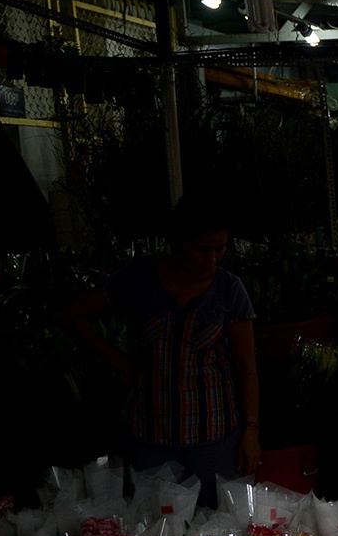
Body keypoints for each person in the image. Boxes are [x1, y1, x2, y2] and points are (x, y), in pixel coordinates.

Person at [60, 194, 259, 505]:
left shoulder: (230, 290)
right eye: (202, 249)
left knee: (219, 524)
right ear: (176, 240)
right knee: (158, 524)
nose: (213, 259)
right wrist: (117, 360)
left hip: (215, 435)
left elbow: (246, 366)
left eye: (220, 248)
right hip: (150, 434)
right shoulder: (138, 281)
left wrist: (250, 430)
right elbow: (72, 313)